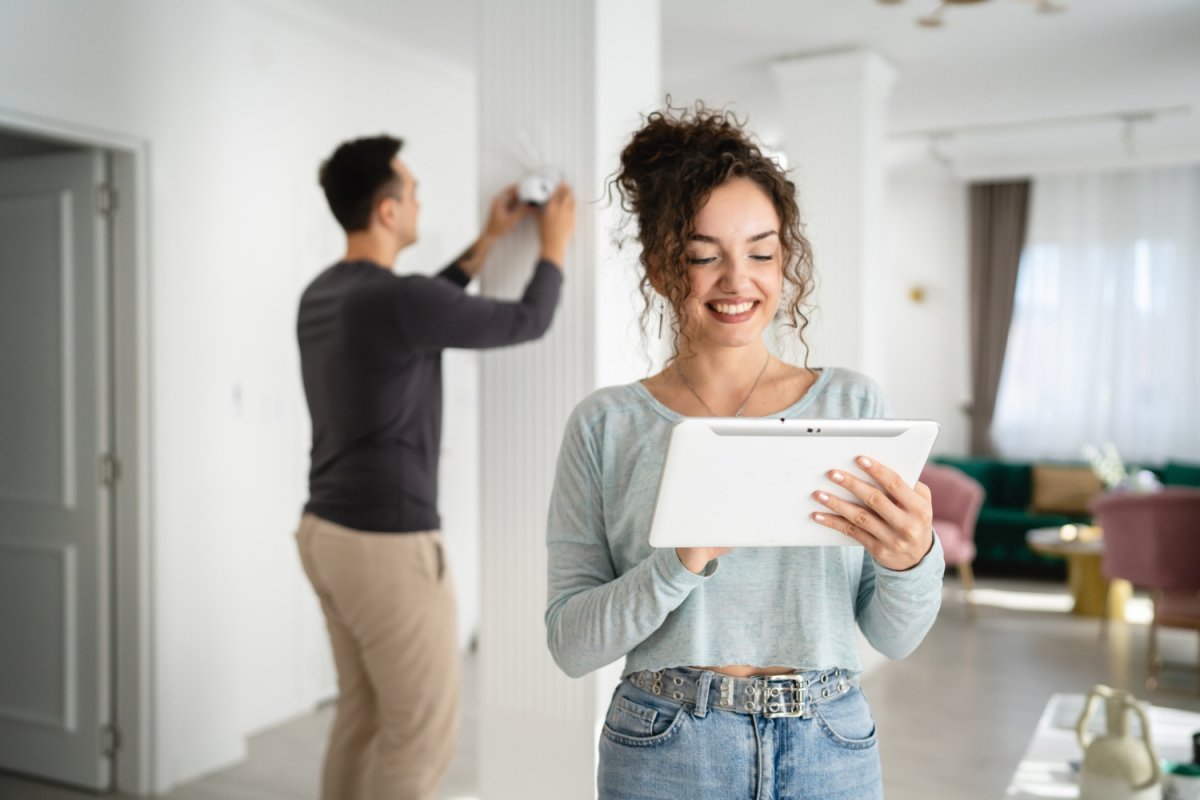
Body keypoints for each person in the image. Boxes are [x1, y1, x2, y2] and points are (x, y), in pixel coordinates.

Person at [544, 105, 943, 799]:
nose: (738, 280)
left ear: (785, 260)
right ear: (662, 269)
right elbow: (571, 643)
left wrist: (913, 558)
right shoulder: (606, 425)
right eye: (704, 256)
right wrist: (681, 563)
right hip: (665, 748)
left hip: (831, 745)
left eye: (761, 252)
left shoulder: (851, 406)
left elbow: (895, 636)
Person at [296, 134, 575, 800]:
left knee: (360, 719)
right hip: (387, 548)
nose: (420, 202)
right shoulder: (400, 302)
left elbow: (425, 304)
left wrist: (487, 239)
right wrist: (554, 246)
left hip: (324, 536)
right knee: (418, 742)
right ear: (389, 212)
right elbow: (527, 320)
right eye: (413, 193)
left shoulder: (326, 294)